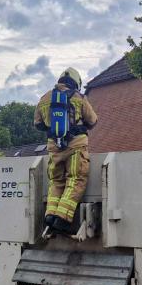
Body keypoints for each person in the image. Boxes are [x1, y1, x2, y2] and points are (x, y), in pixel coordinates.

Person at [33, 68, 98, 232]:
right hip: (76, 146)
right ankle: (62, 218)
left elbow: (38, 124)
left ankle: (50, 215)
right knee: (75, 179)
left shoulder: (45, 98)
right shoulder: (79, 97)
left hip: (54, 149)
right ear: (76, 82)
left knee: (56, 181)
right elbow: (92, 121)